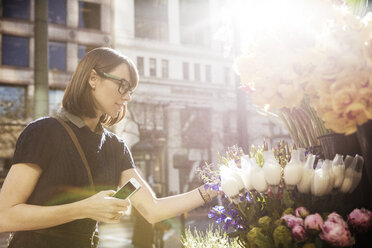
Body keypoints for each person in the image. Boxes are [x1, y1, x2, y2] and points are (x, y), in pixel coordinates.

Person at [0, 47, 217, 248]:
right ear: (93, 78)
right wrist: (83, 208)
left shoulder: (116, 147)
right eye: (122, 85)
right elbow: (4, 216)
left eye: (130, 90)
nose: (128, 96)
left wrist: (215, 188)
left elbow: (152, 209)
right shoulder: (43, 131)